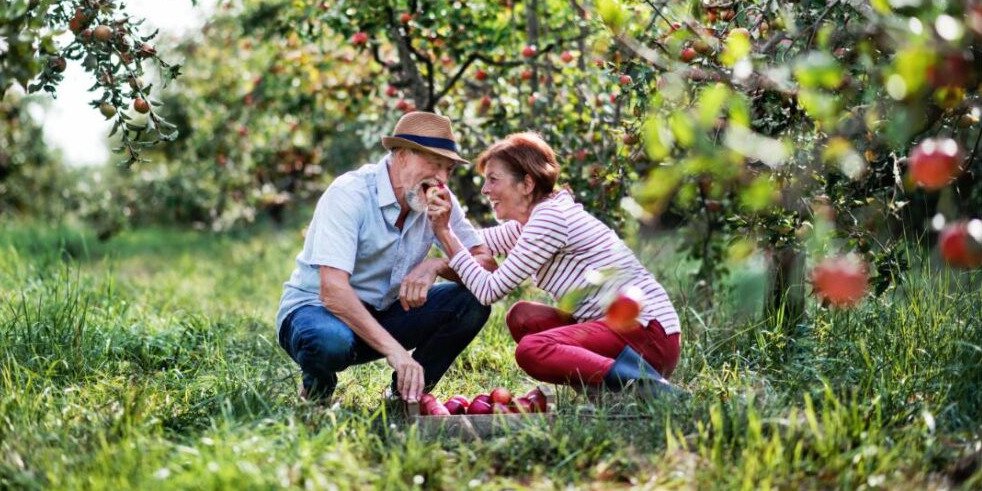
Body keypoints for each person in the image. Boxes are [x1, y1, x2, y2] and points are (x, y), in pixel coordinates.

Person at [427, 132, 682, 395]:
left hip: (648, 336)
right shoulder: (532, 222)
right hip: (626, 333)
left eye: (493, 179)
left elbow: (488, 290)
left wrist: (444, 235)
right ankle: (607, 393)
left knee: (531, 350)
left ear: (527, 183)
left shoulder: (550, 220)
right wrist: (431, 218)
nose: (485, 190)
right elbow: (473, 243)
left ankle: (648, 387)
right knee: (522, 317)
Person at [276, 112, 495, 403]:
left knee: (473, 302)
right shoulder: (349, 194)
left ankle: (403, 396)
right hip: (319, 312)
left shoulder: (440, 199)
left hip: (384, 312)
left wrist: (438, 264)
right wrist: (397, 352)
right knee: (329, 342)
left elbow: (487, 267)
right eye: (434, 164)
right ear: (402, 155)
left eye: (449, 170)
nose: (442, 179)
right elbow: (332, 292)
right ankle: (317, 389)